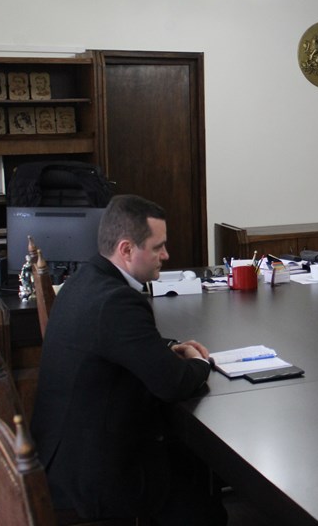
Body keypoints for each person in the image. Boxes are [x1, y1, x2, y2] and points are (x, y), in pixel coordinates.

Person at [31, 195, 225, 524]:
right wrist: (200, 362)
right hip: (92, 480)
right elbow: (173, 384)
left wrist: (166, 350)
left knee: (188, 466)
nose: (166, 255)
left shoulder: (85, 279)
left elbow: (117, 345)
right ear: (126, 249)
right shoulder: (118, 301)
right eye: (158, 247)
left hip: (59, 456)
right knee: (204, 510)